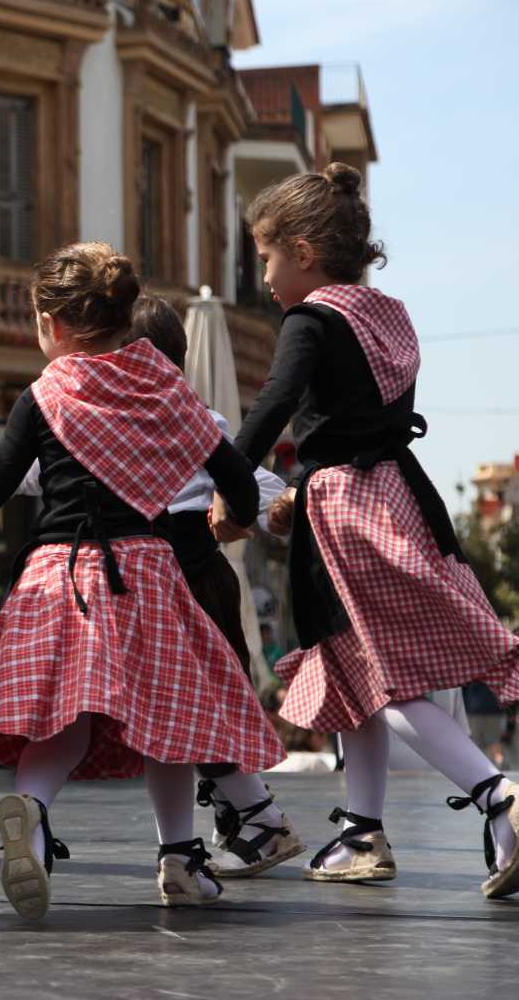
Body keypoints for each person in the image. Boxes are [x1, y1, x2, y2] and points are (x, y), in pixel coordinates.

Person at [0, 241, 283, 920]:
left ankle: (31, 814)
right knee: (169, 721)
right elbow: (237, 476)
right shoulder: (168, 390)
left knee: (61, 718)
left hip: (58, 574)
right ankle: (179, 858)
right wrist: (235, 516)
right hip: (147, 570)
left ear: (55, 326)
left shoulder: (45, 395)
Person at [216, 162, 519, 898]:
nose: (265, 276)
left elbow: (275, 401)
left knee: (388, 678)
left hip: (343, 505)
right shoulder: (385, 312)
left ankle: (500, 795)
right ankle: (360, 833)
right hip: (398, 493)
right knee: (356, 669)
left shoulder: (309, 318)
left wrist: (230, 479)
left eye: (268, 258)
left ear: (303, 251)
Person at [116, 295, 303, 877]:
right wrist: (285, 503)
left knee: (190, 708)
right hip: (195, 577)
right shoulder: (202, 417)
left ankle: (259, 817)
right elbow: (252, 478)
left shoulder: (151, 423)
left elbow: (249, 477)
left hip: (178, 580)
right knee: (195, 708)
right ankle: (237, 811)